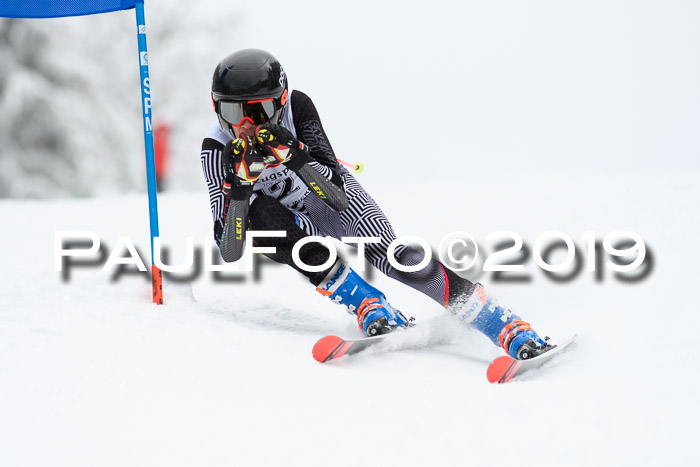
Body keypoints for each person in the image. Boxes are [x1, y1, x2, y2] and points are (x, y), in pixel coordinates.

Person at [200, 49, 551, 360]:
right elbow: (231, 249)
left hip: (325, 199)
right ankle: (368, 302)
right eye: (234, 111)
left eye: (258, 111)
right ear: (217, 109)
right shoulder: (216, 150)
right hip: (291, 223)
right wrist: (240, 189)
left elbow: (337, 196)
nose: (245, 125)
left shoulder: (298, 108)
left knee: (390, 256)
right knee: (262, 219)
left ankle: (501, 323)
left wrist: (294, 156)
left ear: (280, 101)